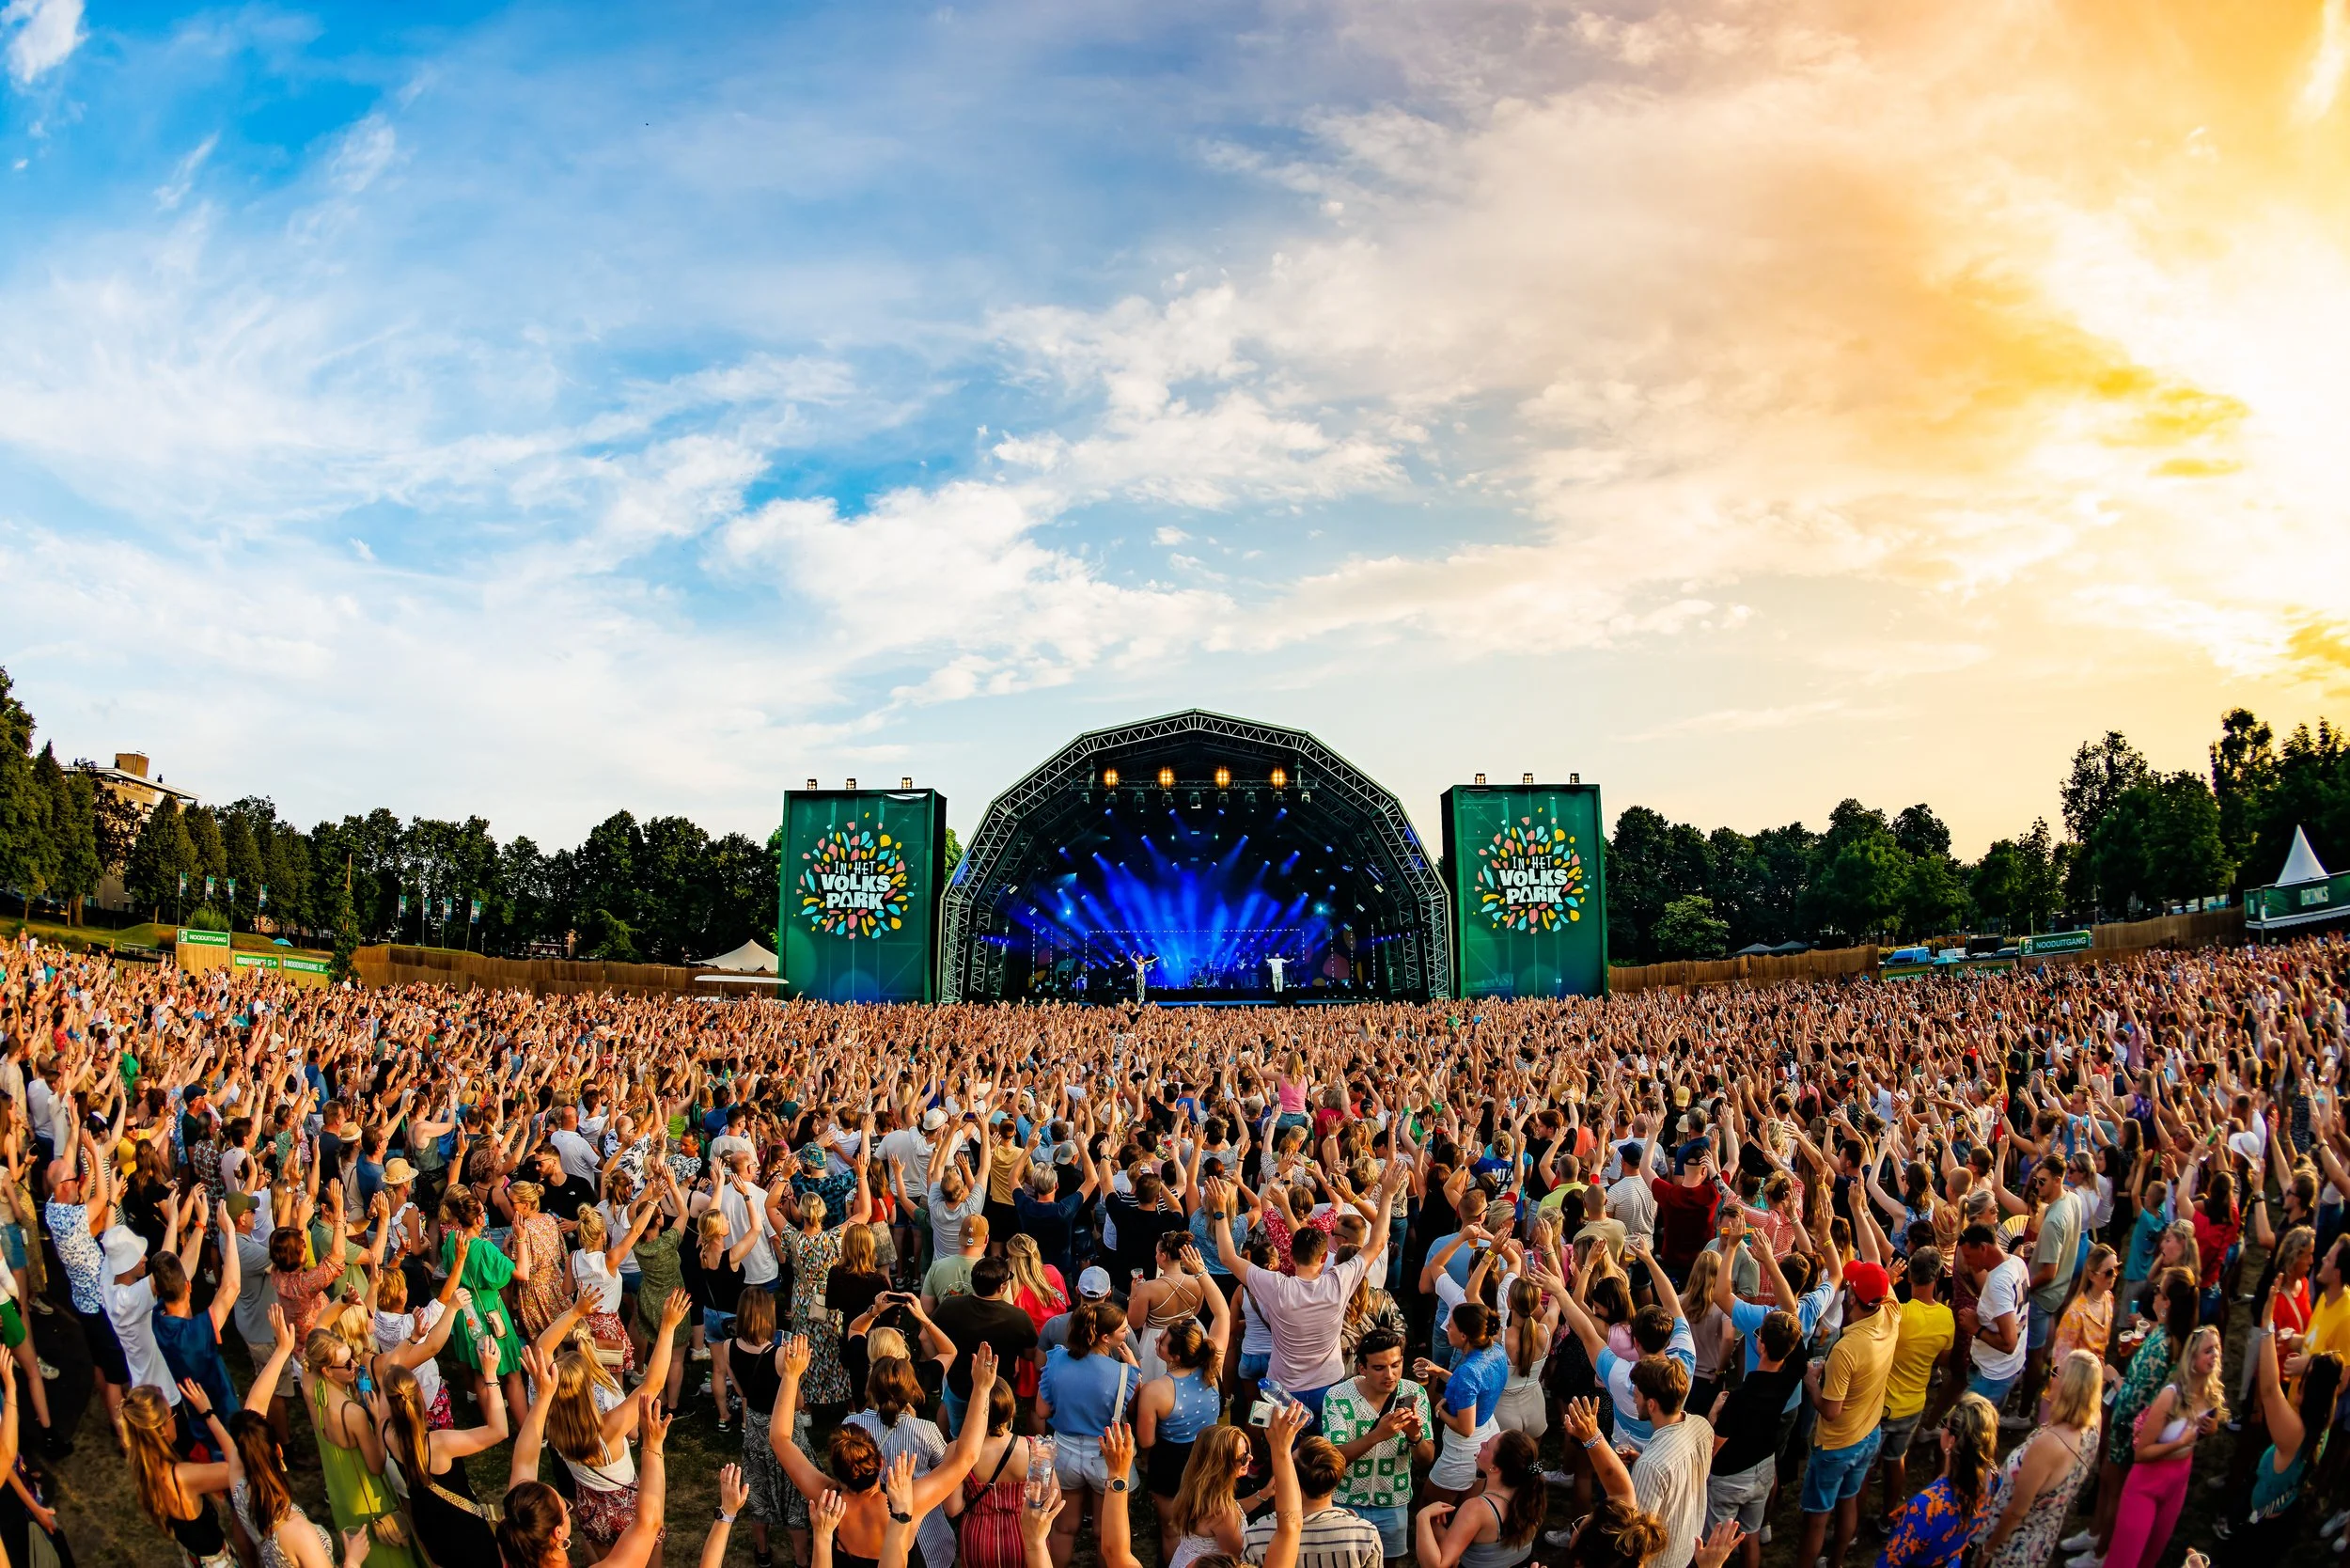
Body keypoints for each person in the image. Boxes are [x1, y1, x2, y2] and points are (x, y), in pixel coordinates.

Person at [769, 1335, 1002, 1568]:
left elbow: (780, 1439)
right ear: (880, 1464)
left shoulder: (828, 1501)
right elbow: (967, 1456)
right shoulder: (907, 1504)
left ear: (837, 1468)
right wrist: (981, 1388)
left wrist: (790, 1376)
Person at [1797, 1258, 1899, 1568]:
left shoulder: (1846, 1349)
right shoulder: (1891, 1313)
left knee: (1816, 1519)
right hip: (1869, 1434)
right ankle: (1837, 1562)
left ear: (1852, 1297)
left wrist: (1810, 1381)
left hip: (1836, 1445)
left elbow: (1830, 1410)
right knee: (1848, 1502)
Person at [2098, 1325, 2224, 1568]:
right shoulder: (2171, 1396)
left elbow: (2207, 1426)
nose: (2216, 1355)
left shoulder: (2211, 1393)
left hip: (2177, 1484)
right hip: (2146, 1484)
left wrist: (2211, 1429)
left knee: (2150, 1558)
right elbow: (2141, 1453)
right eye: (2208, 1350)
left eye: (2217, 1349)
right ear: (2192, 1358)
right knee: (2124, 1560)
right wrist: (2179, 1443)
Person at [1320, 1328, 1435, 1562]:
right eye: (1379, 1368)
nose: (1390, 1375)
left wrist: (1415, 1437)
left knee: (1388, 1562)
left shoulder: (1416, 1394)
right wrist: (1377, 1436)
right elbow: (1335, 1458)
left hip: (1392, 1502)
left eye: (1395, 1365)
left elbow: (1426, 1459)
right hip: (1345, 1501)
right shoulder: (1338, 1397)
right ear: (1362, 1368)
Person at [1977, 1350, 2100, 1568]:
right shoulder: (2093, 1422)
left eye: (2055, 1373)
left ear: (2068, 1387)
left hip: (2012, 1543)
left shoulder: (2050, 1444)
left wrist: (1988, 1550)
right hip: (2043, 1532)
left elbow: (2017, 1511)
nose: (2050, 1377)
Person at [1875, 1248, 1956, 1534]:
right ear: (1938, 1276)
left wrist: (1886, 1279)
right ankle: (1887, 1518)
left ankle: (1851, 1533)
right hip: (1914, 1405)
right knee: (1897, 1460)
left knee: (1862, 1469)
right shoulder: (1946, 1318)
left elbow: (1872, 1311)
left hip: (1881, 1405)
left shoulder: (1900, 1313)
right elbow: (1943, 1360)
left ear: (1909, 1275)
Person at [1875, 1394, 2005, 1568]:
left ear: (1951, 1441)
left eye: (1945, 1424)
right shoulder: (1993, 1478)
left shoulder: (1925, 1507)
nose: (1942, 1429)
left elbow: (1890, 1563)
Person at [1411, 1428, 1546, 1568]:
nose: (1481, 1444)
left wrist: (1423, 1517)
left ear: (1494, 1468)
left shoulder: (1477, 1508)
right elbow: (1490, 1551)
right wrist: (1435, 1526)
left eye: (1486, 1446)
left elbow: (1437, 1565)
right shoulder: (1529, 1495)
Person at [942, 1379, 1032, 1568]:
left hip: (978, 1539)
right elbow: (1053, 1499)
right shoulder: (1033, 1448)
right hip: (1024, 1536)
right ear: (1011, 1409)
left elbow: (952, 1508)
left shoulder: (956, 1451)